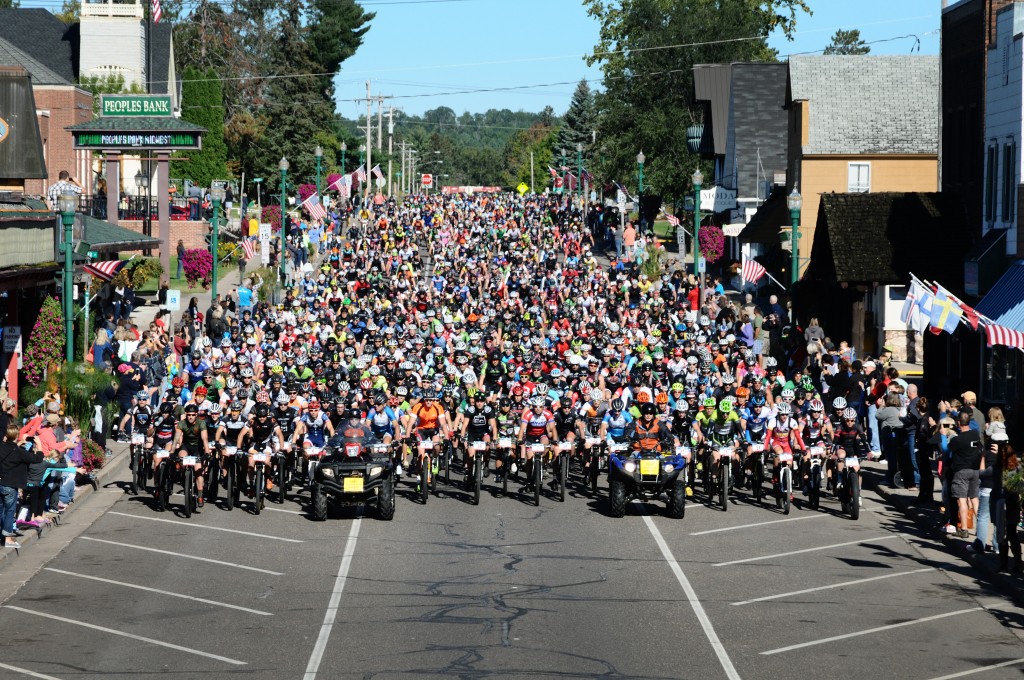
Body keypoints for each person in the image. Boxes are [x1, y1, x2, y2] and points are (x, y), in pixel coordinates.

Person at [0, 426, 43, 549]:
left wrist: (19, 443)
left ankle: (2, 533)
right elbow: (38, 458)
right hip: (10, 485)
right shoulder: (19, 452)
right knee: (9, 512)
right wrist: (39, 445)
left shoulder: (2, 447)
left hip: (1, 482)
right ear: (17, 436)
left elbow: (10, 450)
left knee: (1, 510)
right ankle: (8, 538)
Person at [942, 411, 983, 540]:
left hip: (961, 472)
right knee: (974, 499)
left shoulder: (957, 440)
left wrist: (943, 435)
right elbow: (977, 447)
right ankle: (980, 529)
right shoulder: (975, 435)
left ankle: (964, 530)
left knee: (962, 500)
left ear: (958, 423)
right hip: (975, 471)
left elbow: (946, 449)